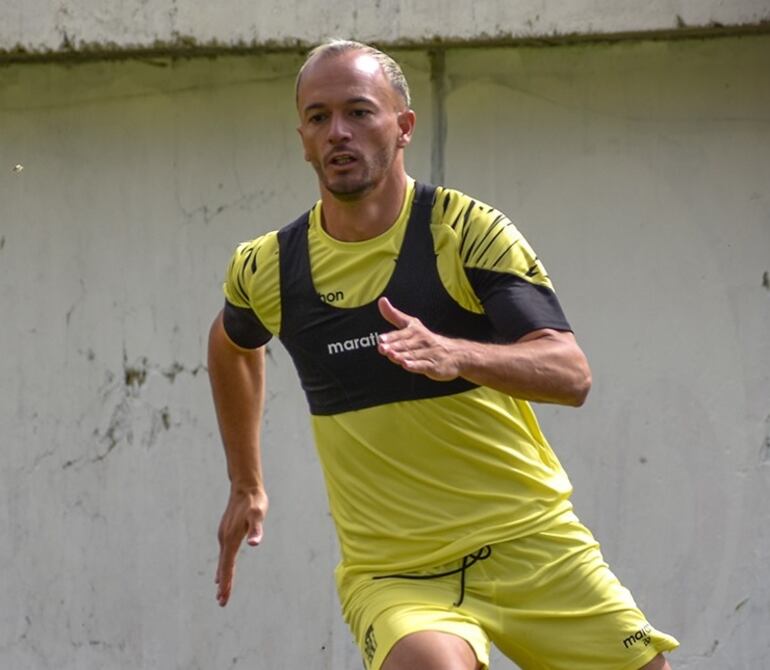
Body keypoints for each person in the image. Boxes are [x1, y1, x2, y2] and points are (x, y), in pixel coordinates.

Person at [208, 39, 679, 670]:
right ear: (302, 138)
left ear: (403, 127)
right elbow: (233, 343)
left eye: (359, 111)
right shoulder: (268, 266)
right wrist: (246, 482)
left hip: (534, 544)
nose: (338, 132)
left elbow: (571, 373)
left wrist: (458, 353)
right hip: (396, 574)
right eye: (319, 118)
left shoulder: (465, 231)